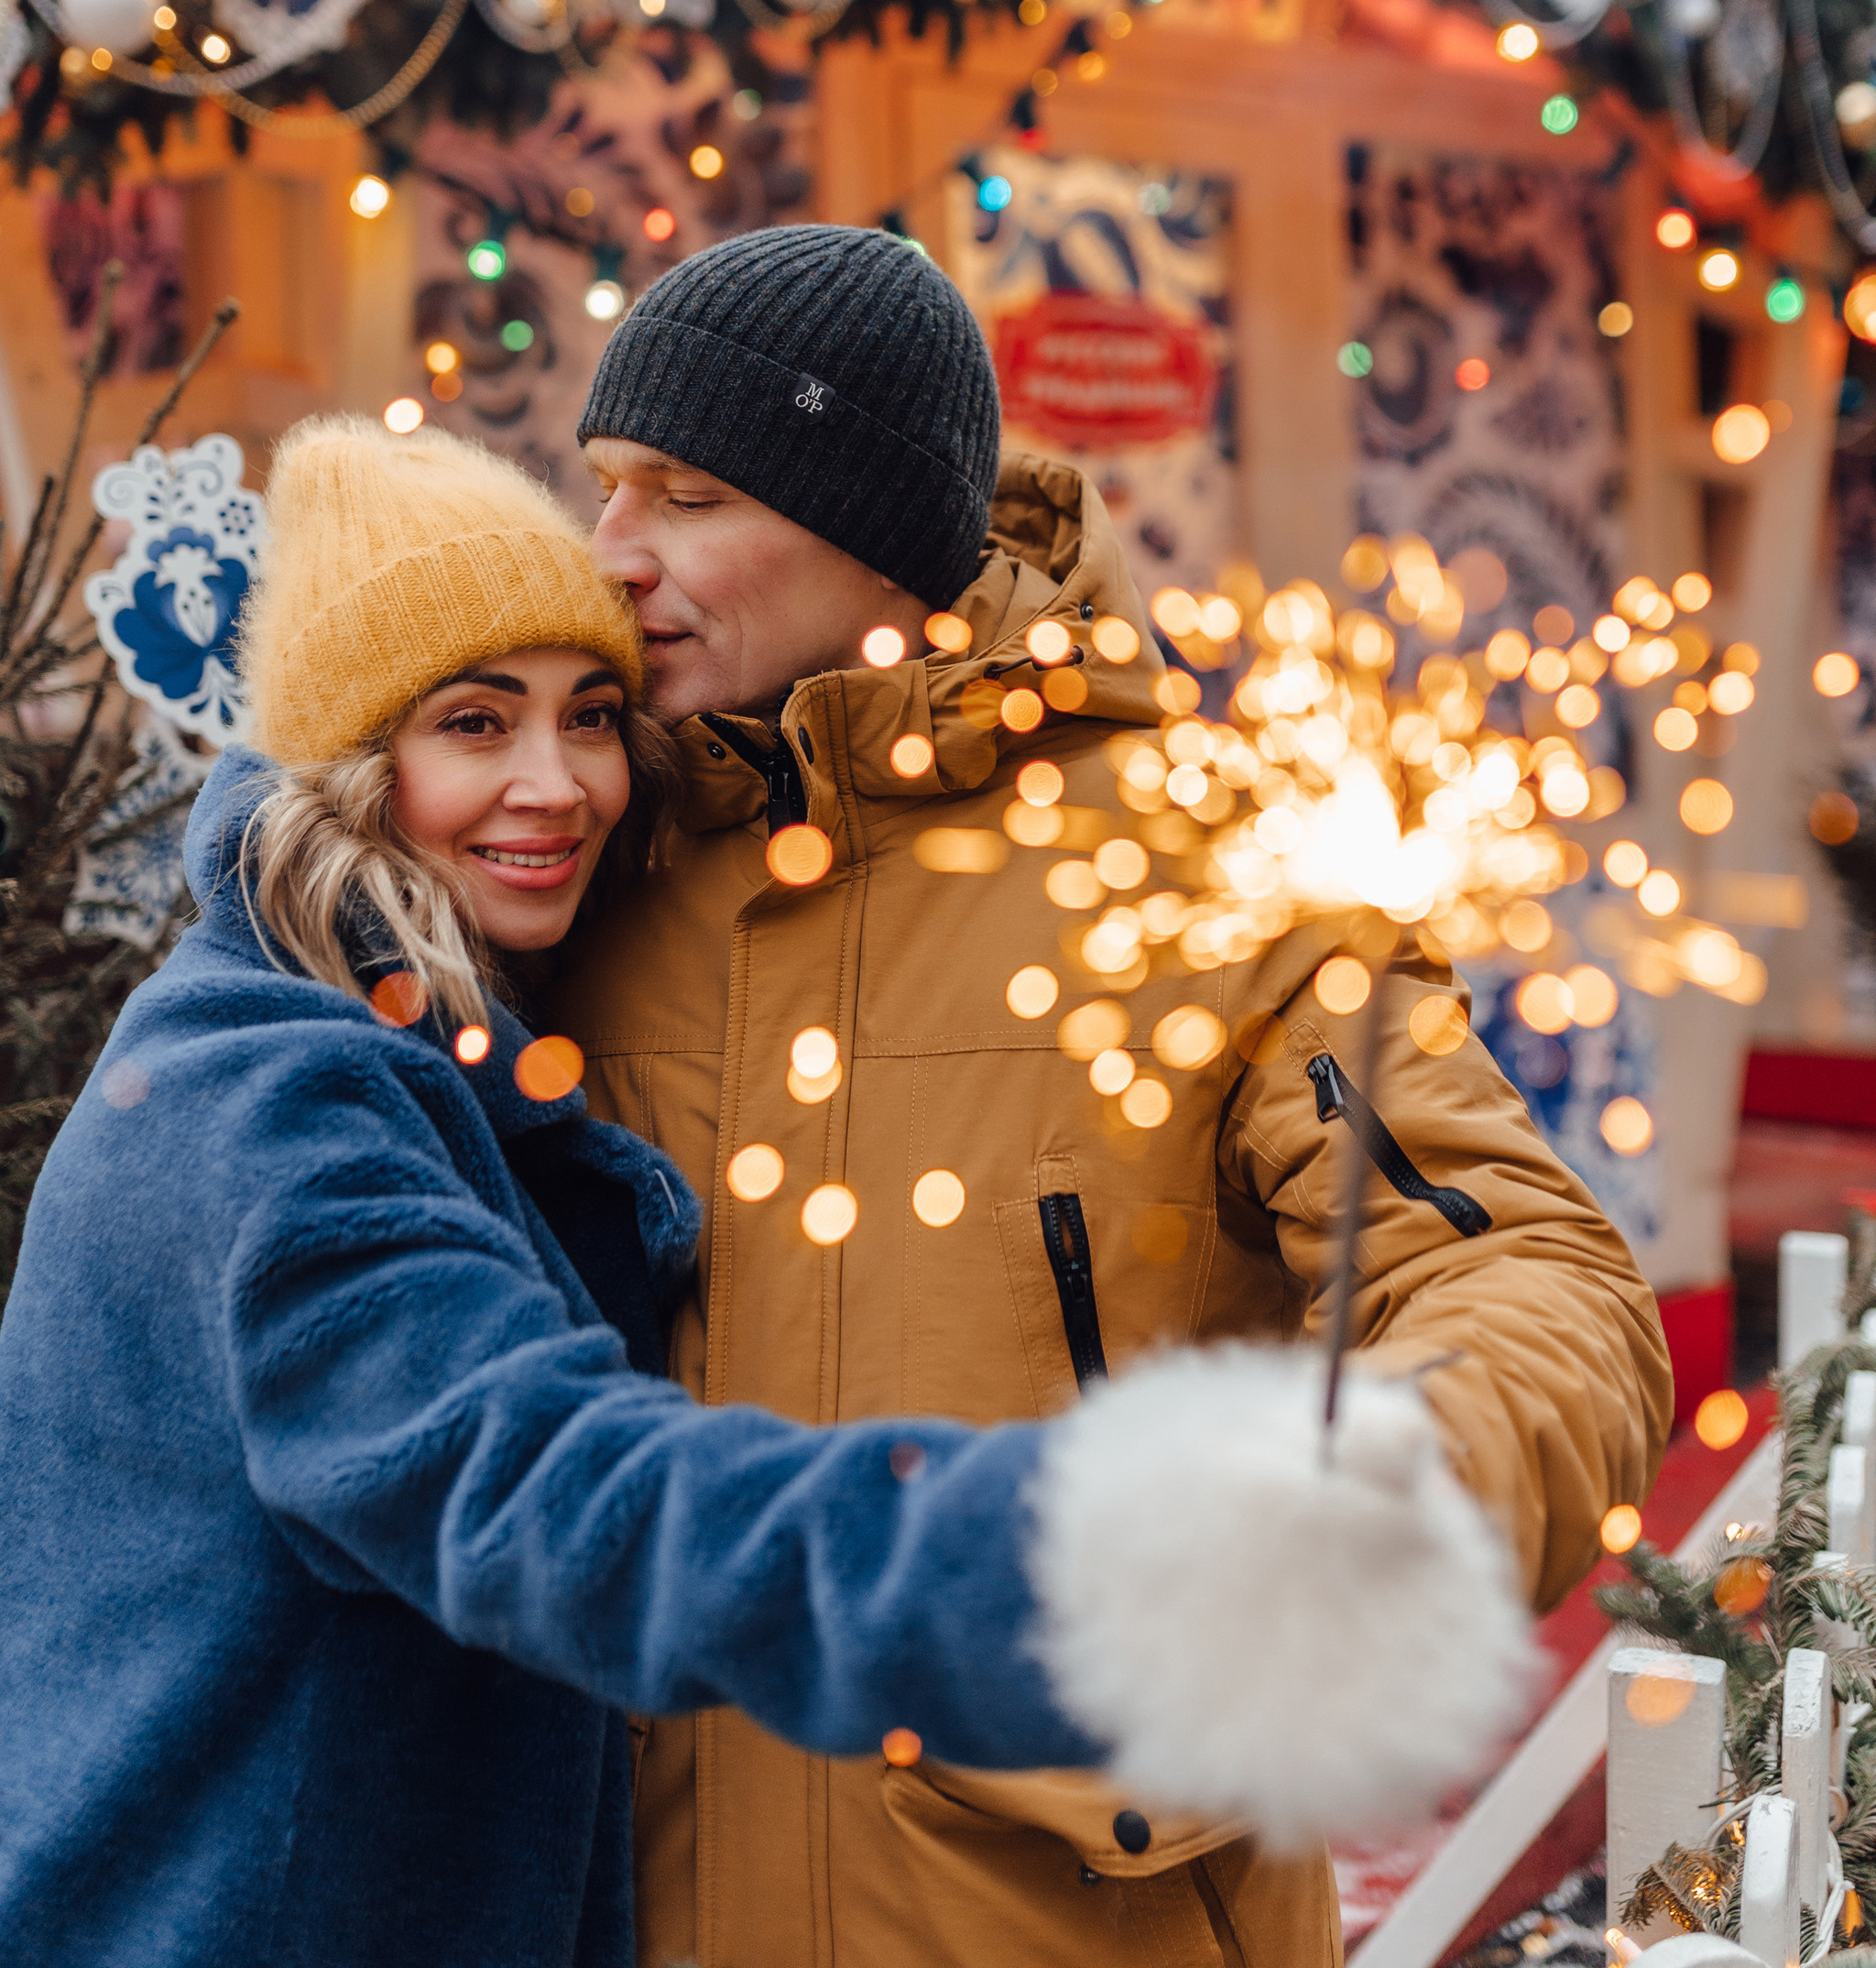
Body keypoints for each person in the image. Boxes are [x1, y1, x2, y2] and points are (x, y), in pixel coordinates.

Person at [0, 417, 1512, 1968]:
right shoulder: (266, 1097)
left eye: (593, 715)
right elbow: (549, 1487)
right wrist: (1086, 1550)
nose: (556, 785)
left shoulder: (448, 1024)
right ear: (348, 766)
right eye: (474, 722)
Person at [560, 222, 1676, 1968]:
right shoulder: (573, 866)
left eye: (686, 498)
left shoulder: (1210, 867)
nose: (610, 555)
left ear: (872, 530)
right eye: (608, 489)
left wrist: (1377, 1479)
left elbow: (1528, 1272)